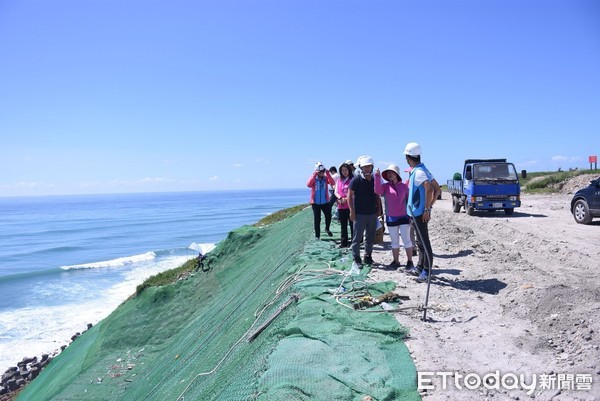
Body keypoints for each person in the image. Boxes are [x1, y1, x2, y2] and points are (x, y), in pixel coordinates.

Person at [403, 143, 441, 283]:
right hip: (418, 212)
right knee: (420, 242)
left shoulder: (418, 172)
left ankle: (427, 271)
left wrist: (426, 209)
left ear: (408, 157)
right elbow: (438, 189)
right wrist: (429, 207)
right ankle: (420, 267)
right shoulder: (423, 170)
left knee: (424, 243)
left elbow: (430, 189)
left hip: (419, 213)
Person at [375, 164, 414, 270]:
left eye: (391, 172)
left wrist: (410, 216)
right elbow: (377, 191)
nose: (389, 174)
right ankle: (396, 261)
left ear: (397, 174)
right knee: (394, 241)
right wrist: (377, 177)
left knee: (406, 240)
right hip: (391, 217)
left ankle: (410, 261)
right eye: (388, 173)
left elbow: (409, 201)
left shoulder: (404, 187)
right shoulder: (385, 186)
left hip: (404, 217)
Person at [348, 155, 378, 267]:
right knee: (357, 237)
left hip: (371, 212)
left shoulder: (374, 179)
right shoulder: (356, 179)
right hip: (359, 213)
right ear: (361, 167)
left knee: (370, 237)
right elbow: (349, 196)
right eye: (365, 166)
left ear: (372, 166)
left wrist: (378, 209)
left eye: (369, 166)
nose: (367, 168)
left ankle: (368, 256)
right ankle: (356, 258)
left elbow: (377, 195)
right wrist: (351, 211)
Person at [307, 162, 335, 239]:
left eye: (323, 171)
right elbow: (308, 184)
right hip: (315, 203)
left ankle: (327, 228)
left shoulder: (325, 179)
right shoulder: (314, 179)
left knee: (328, 216)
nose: (322, 173)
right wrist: (314, 175)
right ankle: (317, 236)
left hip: (325, 202)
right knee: (317, 219)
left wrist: (328, 174)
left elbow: (332, 182)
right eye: (320, 172)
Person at [334, 162, 354, 248]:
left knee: (352, 224)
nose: (344, 172)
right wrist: (340, 198)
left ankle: (354, 242)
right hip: (341, 206)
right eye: (343, 170)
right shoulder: (339, 180)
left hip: (350, 206)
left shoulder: (352, 179)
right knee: (343, 225)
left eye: (346, 170)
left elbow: (354, 192)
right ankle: (343, 242)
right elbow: (336, 192)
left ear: (349, 170)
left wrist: (346, 199)